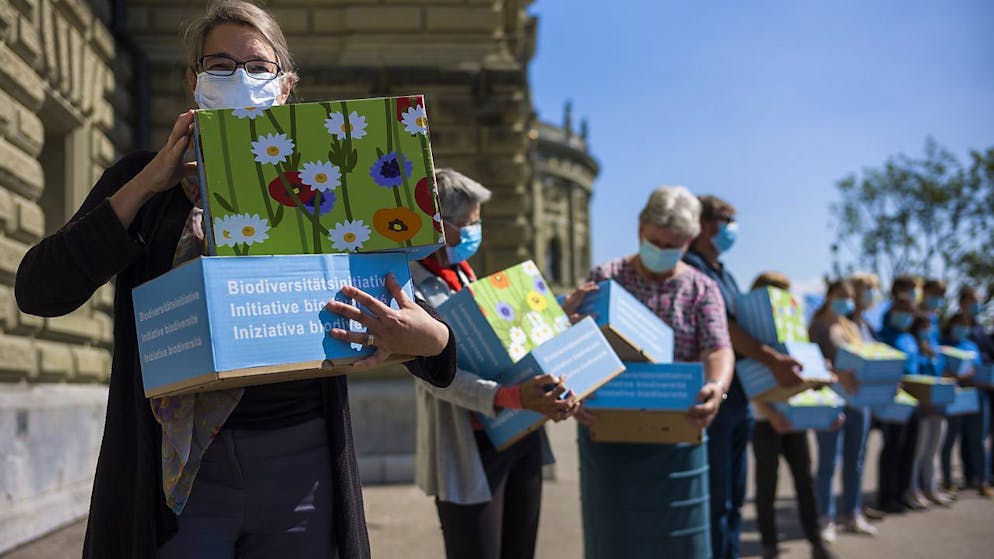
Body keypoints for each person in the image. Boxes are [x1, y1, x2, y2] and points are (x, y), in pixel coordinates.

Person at [14, 2, 457, 557]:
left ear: (285, 86)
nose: (240, 80)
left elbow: (429, 337)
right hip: (174, 477)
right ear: (193, 81)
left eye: (258, 67)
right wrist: (146, 184)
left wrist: (431, 338)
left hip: (300, 469)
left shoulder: (322, 181)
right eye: (220, 66)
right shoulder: (143, 184)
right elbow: (38, 291)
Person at [412, 169, 576, 559]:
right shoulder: (410, 286)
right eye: (470, 223)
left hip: (517, 432)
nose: (476, 231)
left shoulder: (463, 271)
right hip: (469, 444)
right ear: (440, 225)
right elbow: (435, 377)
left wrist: (558, 313)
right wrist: (512, 396)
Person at [564, 186, 734, 558]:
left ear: (689, 241)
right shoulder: (607, 277)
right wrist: (576, 388)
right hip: (609, 437)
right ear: (640, 229)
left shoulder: (702, 288)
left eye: (672, 245)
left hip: (677, 438)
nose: (661, 250)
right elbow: (579, 342)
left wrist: (716, 386)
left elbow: (718, 347)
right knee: (616, 541)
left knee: (680, 543)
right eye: (655, 241)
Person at [682, 195, 804, 559]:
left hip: (738, 399)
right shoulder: (694, 270)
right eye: (726, 221)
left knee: (735, 499)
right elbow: (727, 331)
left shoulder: (724, 273)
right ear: (703, 225)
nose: (732, 229)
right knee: (717, 500)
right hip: (714, 398)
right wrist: (773, 360)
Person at [749, 272, 840, 559]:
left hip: (795, 418)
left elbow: (806, 375)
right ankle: (769, 545)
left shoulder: (792, 329)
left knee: (805, 482)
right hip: (766, 421)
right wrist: (770, 413)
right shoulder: (750, 333)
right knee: (767, 485)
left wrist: (823, 408)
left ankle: (816, 541)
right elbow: (749, 380)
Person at [809, 279, 878, 541]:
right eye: (840, 295)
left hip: (858, 402)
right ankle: (825, 517)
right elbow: (812, 366)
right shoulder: (817, 326)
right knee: (828, 463)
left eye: (849, 297)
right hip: (831, 402)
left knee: (855, 462)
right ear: (828, 296)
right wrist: (838, 375)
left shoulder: (852, 326)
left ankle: (852, 513)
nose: (845, 301)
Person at [875, 275, 921, 513]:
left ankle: (903, 492)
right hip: (893, 397)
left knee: (909, 447)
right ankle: (887, 496)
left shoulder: (910, 337)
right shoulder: (884, 334)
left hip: (914, 397)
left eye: (909, 311)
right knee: (893, 446)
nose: (905, 314)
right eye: (901, 310)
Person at [940, 311, 991, 497]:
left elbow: (978, 369)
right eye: (959, 324)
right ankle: (948, 480)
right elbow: (941, 371)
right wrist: (955, 376)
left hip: (975, 396)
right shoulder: (944, 346)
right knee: (950, 440)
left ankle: (982, 480)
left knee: (978, 441)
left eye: (965, 325)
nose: (962, 328)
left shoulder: (972, 345)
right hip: (955, 397)